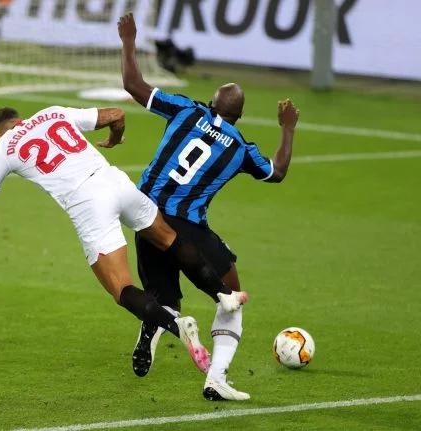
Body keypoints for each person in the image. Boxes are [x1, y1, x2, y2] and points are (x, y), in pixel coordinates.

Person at [0, 105, 249, 374]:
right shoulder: (52, 113)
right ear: (20, 119)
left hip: (89, 204)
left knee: (121, 288)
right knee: (170, 239)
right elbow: (116, 114)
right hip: (117, 182)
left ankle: (176, 325)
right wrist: (115, 137)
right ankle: (224, 294)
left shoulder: (2, 149)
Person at [116, 13, 300, 400]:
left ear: (211, 103)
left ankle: (153, 325)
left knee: (167, 302)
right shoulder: (240, 147)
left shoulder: (186, 109)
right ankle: (216, 377)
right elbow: (278, 171)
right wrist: (287, 128)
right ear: (239, 116)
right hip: (187, 228)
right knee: (230, 295)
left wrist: (129, 40)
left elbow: (133, 85)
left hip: (145, 216)